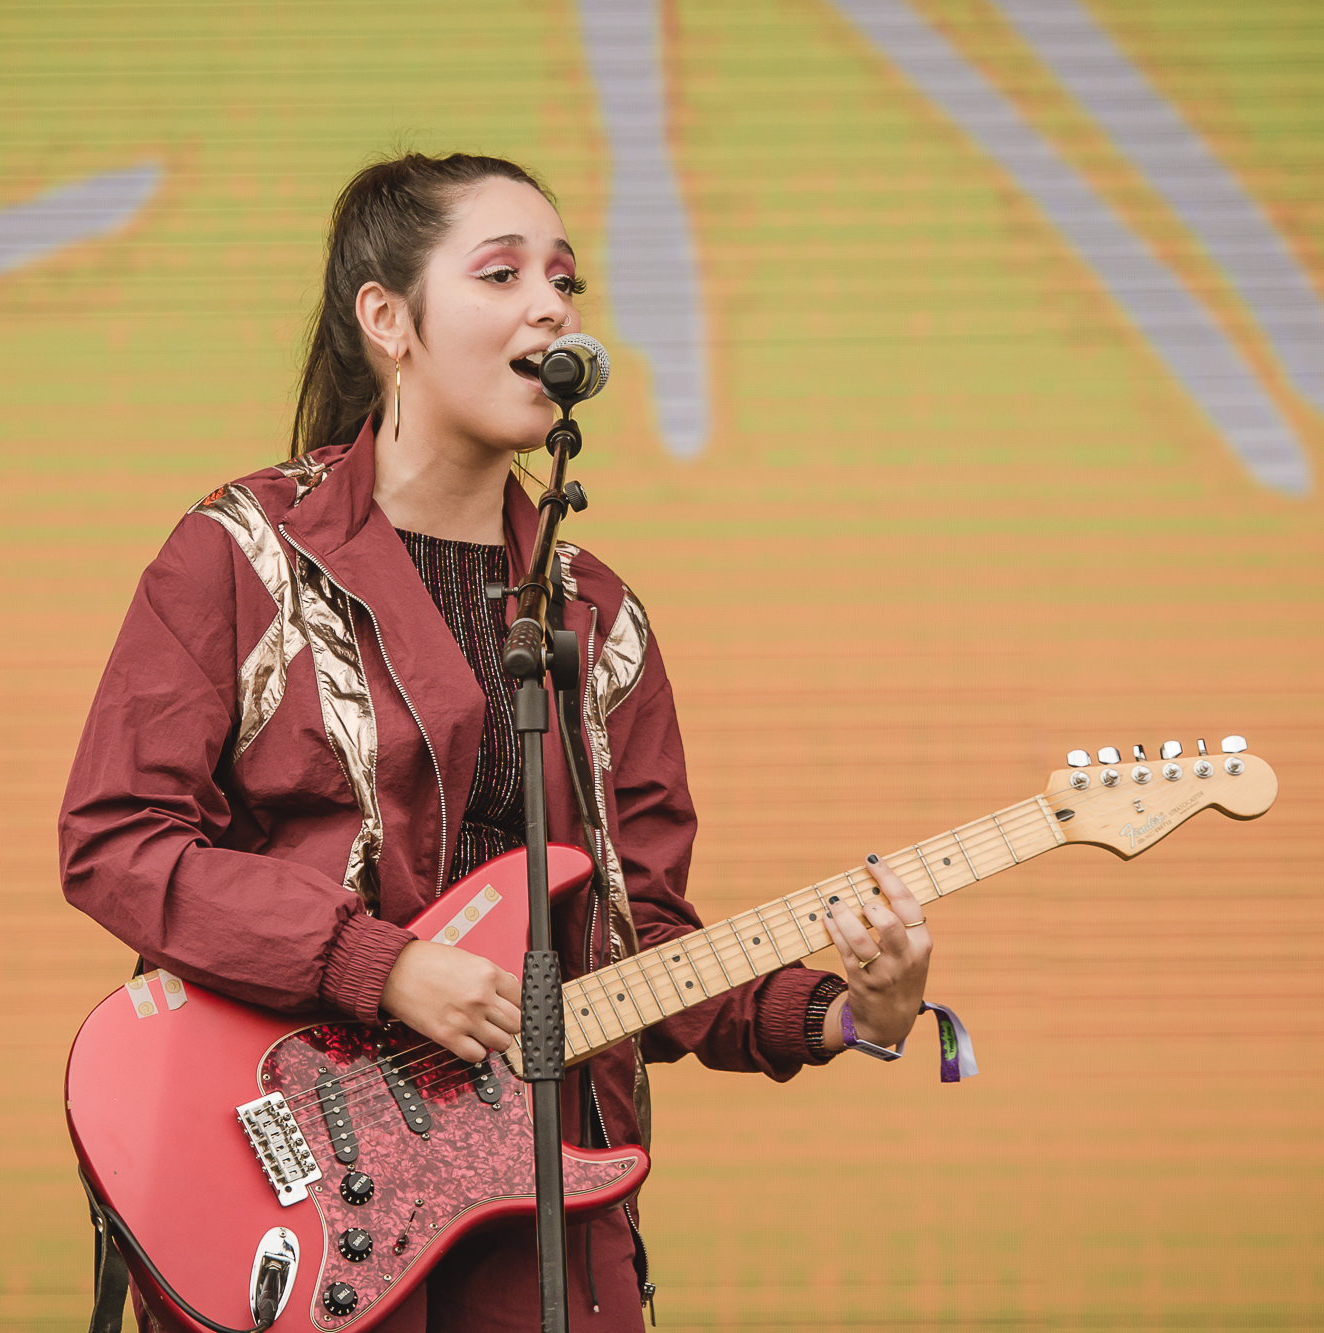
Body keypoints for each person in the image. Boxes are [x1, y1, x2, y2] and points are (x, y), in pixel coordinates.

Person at [59, 152, 936, 1333]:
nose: (550, 306)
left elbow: (640, 945)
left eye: (564, 282)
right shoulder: (240, 555)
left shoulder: (598, 620)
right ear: (387, 319)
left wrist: (845, 1012)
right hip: (298, 1179)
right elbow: (116, 843)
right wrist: (378, 964)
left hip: (529, 1208)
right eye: (502, 273)